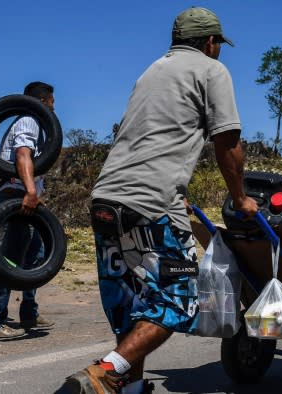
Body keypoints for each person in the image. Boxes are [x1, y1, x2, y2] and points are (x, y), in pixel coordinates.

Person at [64, 7, 258, 394]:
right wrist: (240, 199)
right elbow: (228, 142)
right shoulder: (211, 70)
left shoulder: (151, 71)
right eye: (218, 44)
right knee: (179, 300)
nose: (218, 51)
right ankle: (104, 371)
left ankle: (131, 389)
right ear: (210, 42)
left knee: (131, 305)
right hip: (151, 203)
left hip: (106, 201)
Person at [0, 81, 56, 340]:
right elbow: (23, 154)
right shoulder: (30, 120)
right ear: (44, 101)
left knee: (36, 253)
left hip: (22, 194)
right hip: (16, 195)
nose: (54, 107)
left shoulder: (31, 121)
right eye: (52, 102)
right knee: (10, 259)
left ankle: (29, 313)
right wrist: (30, 191)